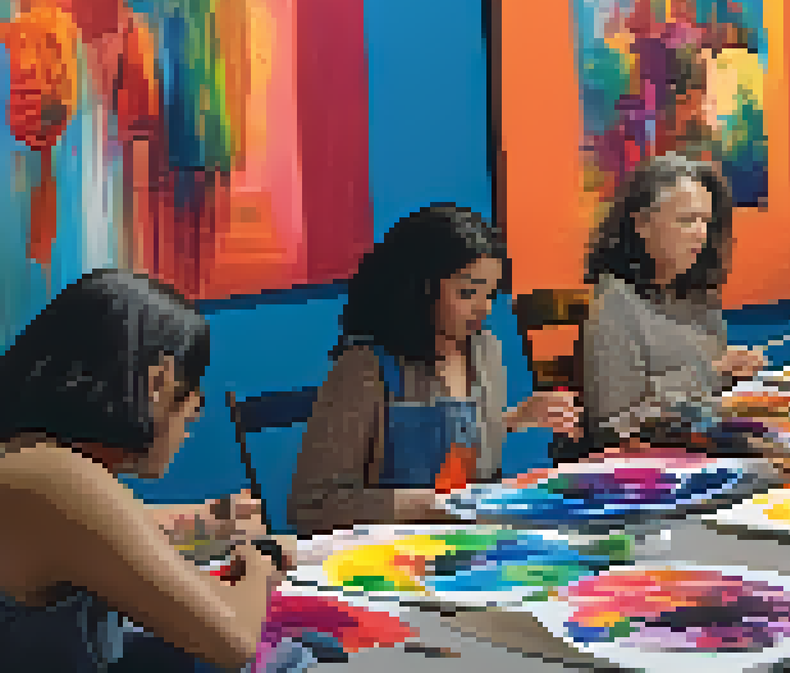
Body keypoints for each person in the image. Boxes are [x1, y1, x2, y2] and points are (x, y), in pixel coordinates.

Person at [0, 269, 286, 671]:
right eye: (192, 392)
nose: (195, 413)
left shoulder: (27, 460)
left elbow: (117, 532)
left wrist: (210, 520)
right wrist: (260, 565)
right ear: (159, 381)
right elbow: (235, 641)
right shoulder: (54, 479)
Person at [289, 204, 580, 536]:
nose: (483, 309)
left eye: (490, 294)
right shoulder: (365, 367)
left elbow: (461, 452)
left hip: (469, 542)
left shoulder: (486, 349)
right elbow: (312, 505)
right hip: (389, 551)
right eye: (467, 293)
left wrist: (514, 419)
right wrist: (434, 505)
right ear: (420, 288)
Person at [582, 153, 769, 451]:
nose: (701, 233)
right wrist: (712, 372)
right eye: (686, 220)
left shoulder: (698, 295)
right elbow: (613, 423)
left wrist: (734, 373)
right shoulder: (615, 302)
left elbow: (708, 394)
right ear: (642, 223)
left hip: (705, 442)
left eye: (706, 221)